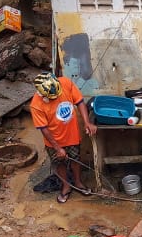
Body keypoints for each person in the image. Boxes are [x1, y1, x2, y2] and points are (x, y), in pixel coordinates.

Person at [31, 72, 97, 203]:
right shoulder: (36, 105)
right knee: (59, 163)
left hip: (71, 135)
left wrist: (87, 122)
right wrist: (57, 148)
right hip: (53, 140)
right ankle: (66, 186)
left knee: (75, 159)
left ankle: (78, 183)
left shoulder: (66, 83)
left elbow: (79, 102)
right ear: (42, 94)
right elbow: (44, 129)